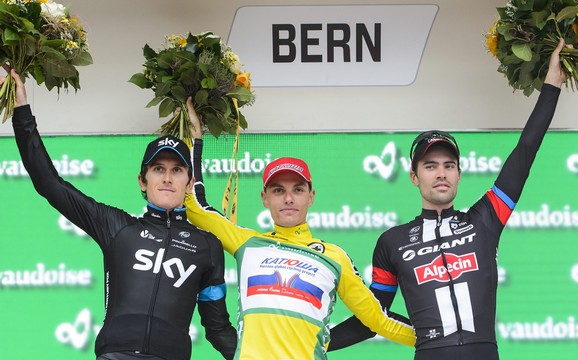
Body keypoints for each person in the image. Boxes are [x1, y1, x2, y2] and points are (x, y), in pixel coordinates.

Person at [327, 39, 568, 359]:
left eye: (448, 165)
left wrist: (551, 86)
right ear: (414, 177)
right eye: (430, 166)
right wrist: (312, 342)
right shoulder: (392, 242)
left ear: (458, 174)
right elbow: (373, 318)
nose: (441, 173)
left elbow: (525, 151)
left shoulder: (485, 219)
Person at [3, 68, 237, 360]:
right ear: (142, 180)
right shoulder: (117, 227)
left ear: (189, 183)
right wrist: (22, 111)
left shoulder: (207, 246)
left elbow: (218, 329)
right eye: (158, 169)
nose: (167, 178)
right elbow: (49, 184)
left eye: (177, 170)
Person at [183, 98, 416, 359]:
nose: (288, 198)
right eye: (278, 190)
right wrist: (196, 139)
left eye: (298, 190)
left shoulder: (334, 256)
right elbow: (195, 207)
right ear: (265, 198)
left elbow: (378, 320)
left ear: (311, 196)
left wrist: (445, 339)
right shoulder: (247, 243)